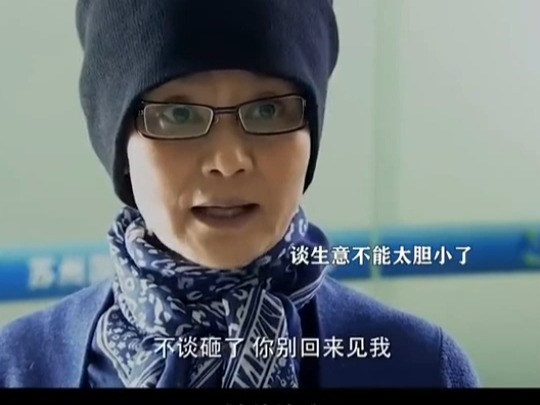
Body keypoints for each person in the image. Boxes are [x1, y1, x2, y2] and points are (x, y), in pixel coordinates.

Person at [0, 0, 479, 388]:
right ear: (117, 138)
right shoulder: (19, 366)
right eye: (179, 115)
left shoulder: (418, 367)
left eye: (268, 110)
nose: (228, 160)